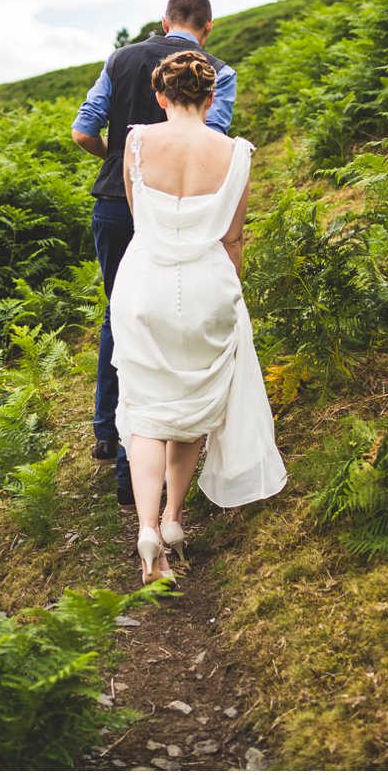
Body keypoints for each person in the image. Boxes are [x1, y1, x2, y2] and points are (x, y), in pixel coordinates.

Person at [111, 49, 286, 584]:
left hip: (145, 284)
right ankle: (173, 520)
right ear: (211, 99)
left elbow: (142, 220)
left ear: (160, 97)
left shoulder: (137, 142)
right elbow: (232, 237)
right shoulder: (236, 152)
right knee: (191, 409)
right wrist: (229, 291)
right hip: (209, 282)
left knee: (146, 411)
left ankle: (145, 535)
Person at [71, 0, 236, 507]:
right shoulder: (220, 72)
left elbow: (81, 131)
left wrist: (116, 156)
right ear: (207, 27)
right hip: (182, 214)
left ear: (165, 22)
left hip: (116, 205)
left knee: (119, 314)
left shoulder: (120, 58)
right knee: (172, 315)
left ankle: (108, 432)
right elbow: (211, 143)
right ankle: (168, 446)